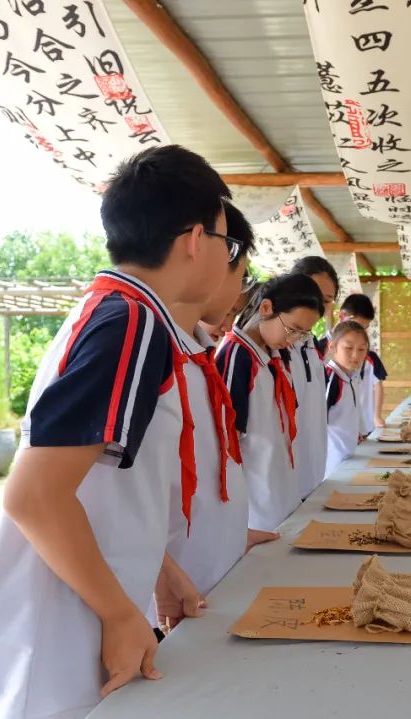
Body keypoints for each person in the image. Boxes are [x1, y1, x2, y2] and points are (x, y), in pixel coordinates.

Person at [0, 145, 238, 718]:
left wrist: (158, 568)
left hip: (77, 604)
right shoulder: (131, 322)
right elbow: (34, 495)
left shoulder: (120, 312)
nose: (229, 260)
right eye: (227, 244)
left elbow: (107, 481)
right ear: (191, 240)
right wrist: (119, 614)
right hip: (55, 632)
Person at [153, 201, 255, 636]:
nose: (241, 294)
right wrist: (162, 573)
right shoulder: (141, 341)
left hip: (208, 582)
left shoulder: (197, 353)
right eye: (243, 275)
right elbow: (96, 494)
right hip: (169, 600)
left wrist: (237, 534)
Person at [215, 274, 325, 548]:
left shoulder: (277, 357)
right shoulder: (236, 357)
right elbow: (224, 447)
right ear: (266, 309)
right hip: (254, 513)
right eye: (293, 329)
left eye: (304, 333)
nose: (296, 339)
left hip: (282, 500)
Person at [285, 256, 339, 499]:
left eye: (326, 300)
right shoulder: (272, 348)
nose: (317, 304)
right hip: (278, 494)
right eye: (311, 292)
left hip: (313, 479)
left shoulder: (310, 346)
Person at [320, 293, 387, 434]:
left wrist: (375, 416)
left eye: (364, 328)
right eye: (348, 348)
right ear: (341, 316)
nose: (355, 355)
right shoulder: (316, 350)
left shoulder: (367, 356)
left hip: (357, 429)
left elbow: (376, 386)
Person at [323, 320, 370, 476]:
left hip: (349, 456)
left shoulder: (351, 377)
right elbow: (318, 421)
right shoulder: (330, 378)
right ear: (332, 347)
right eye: (348, 348)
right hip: (331, 463)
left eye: (362, 349)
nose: (355, 355)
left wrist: (360, 433)